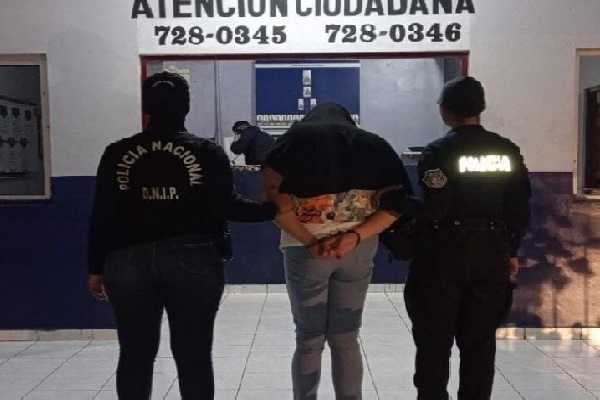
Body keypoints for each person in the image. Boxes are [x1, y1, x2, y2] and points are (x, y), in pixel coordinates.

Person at [87, 72, 276, 400]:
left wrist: (95, 266)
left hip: (126, 260)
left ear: (146, 107)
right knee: (194, 357)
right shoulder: (206, 152)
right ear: (186, 107)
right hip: (195, 258)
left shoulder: (117, 153)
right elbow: (227, 206)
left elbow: (103, 213)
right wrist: (272, 209)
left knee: (135, 355)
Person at [263, 102, 413, 400]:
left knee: (308, 338)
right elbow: (398, 206)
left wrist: (310, 241)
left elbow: (275, 205)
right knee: (346, 339)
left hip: (305, 252)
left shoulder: (289, 143)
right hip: (357, 250)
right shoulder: (375, 145)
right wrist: (354, 237)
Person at [404, 76, 531, 400]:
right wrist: (511, 250)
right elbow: (519, 208)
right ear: (482, 108)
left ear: (445, 110)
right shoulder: (506, 150)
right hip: (491, 254)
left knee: (434, 345)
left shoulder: (439, 152)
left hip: (443, 257)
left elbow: (436, 208)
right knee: (479, 345)